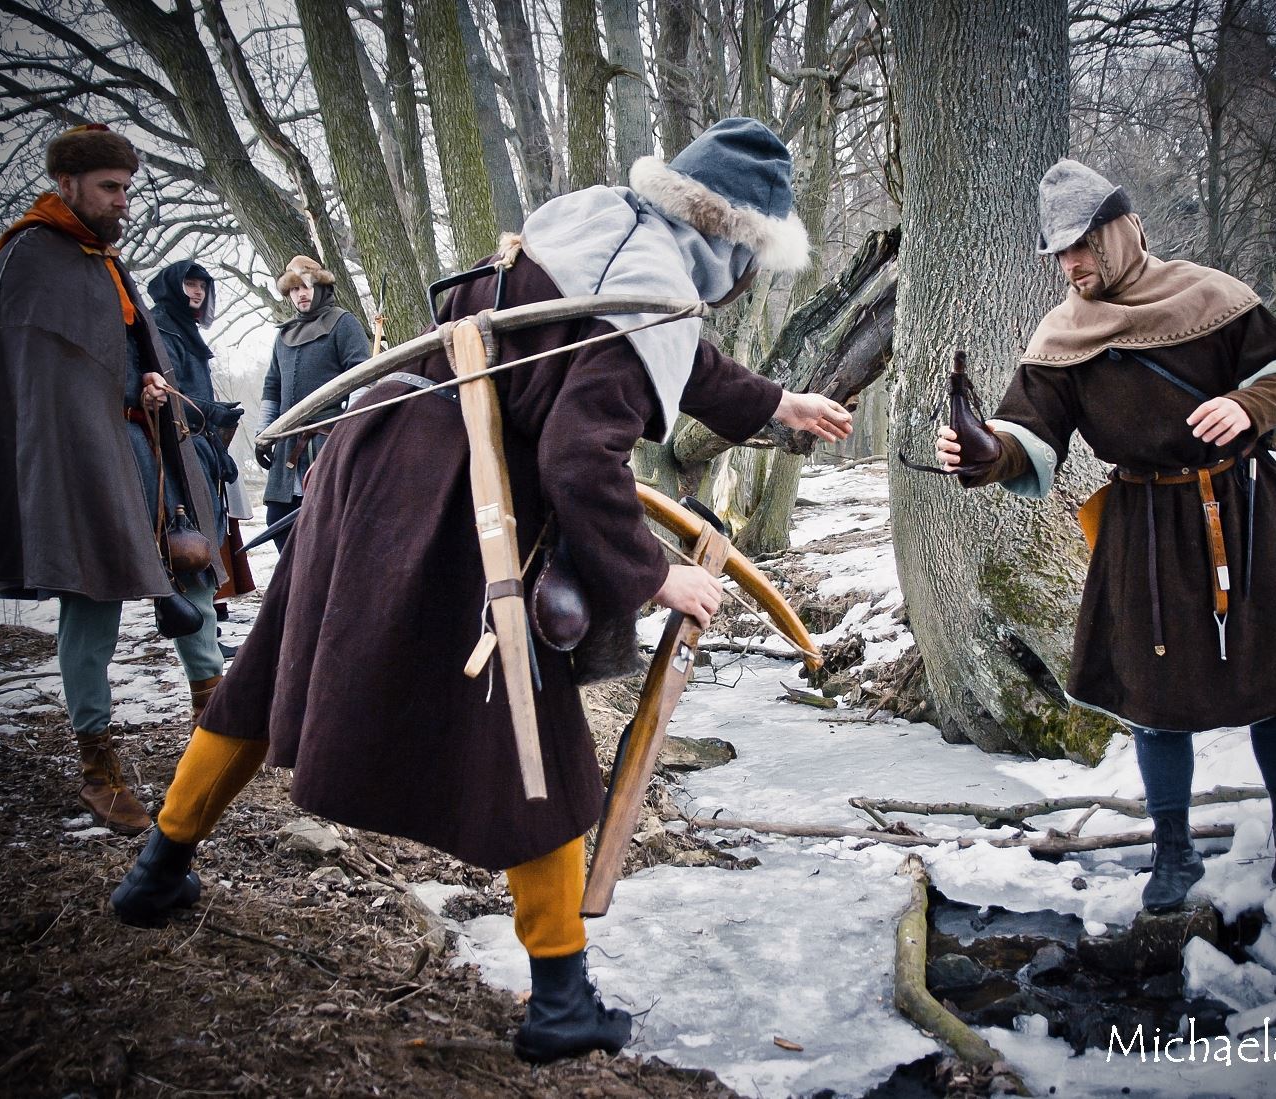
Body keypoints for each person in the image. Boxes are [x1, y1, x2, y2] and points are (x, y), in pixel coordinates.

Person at [110, 118, 853, 1060]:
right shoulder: (653, 298)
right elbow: (584, 460)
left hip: (372, 464)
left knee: (265, 670)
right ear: (730, 246)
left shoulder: (588, 232)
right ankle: (560, 1004)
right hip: (462, 502)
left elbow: (661, 353)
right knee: (533, 738)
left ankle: (154, 872)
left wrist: (775, 404)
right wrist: (656, 576)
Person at [935, 159, 1276, 913]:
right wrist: (983, 452)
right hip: (1141, 527)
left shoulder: (1213, 299)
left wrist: (1247, 406)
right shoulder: (1063, 337)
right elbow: (1028, 434)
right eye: (1059, 253)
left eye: (1083, 245)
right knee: (1150, 692)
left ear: (1120, 231)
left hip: (1243, 508)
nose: (1072, 265)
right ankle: (1171, 851)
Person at [0, 125, 228, 835]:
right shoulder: (29, 257)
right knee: (94, 598)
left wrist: (146, 380)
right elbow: (33, 379)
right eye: (110, 187)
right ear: (67, 184)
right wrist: (101, 408)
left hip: (143, 446)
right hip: (80, 458)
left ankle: (220, 720)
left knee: (193, 568)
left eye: (126, 188)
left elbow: (119, 349)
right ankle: (99, 767)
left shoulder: (102, 261)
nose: (122, 201)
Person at [146, 260, 254, 652]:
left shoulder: (183, 327)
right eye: (190, 284)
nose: (197, 292)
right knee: (188, 552)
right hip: (177, 455)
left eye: (203, 286)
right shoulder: (160, 326)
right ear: (173, 287)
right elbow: (167, 396)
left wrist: (212, 410)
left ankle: (207, 642)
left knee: (204, 551)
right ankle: (202, 650)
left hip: (197, 446)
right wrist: (208, 411)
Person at [253, 255, 369, 550]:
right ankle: (295, 592)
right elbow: (272, 387)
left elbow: (363, 377)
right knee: (278, 522)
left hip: (328, 442)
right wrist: (264, 435)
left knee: (328, 526)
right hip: (288, 446)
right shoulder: (284, 334)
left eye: (305, 286)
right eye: (293, 290)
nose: (300, 294)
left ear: (319, 286)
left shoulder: (343, 324)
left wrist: (347, 431)